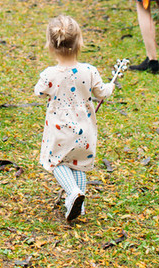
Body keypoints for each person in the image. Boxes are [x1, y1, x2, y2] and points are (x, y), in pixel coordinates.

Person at [34, 15, 114, 223]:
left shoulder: (50, 74)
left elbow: (39, 92)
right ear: (79, 42)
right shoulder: (89, 71)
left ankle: (73, 193)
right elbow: (102, 93)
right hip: (84, 129)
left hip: (61, 129)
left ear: (50, 46)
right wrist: (111, 86)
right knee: (78, 162)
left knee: (55, 161)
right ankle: (78, 205)